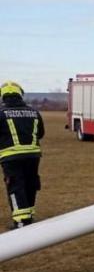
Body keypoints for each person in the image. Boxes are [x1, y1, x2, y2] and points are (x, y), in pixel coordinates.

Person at [0, 81, 44, 229]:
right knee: (30, 184)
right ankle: (29, 215)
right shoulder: (34, 112)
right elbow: (41, 133)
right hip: (33, 155)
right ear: (20, 94)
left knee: (15, 186)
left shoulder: (1, 113)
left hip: (10, 157)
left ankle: (21, 221)